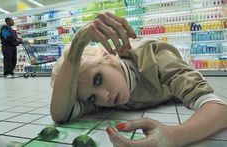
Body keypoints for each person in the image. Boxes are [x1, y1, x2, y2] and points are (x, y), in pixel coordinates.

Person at [50, 12, 227, 147]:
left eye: (98, 79)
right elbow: (60, 114)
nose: (104, 97)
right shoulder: (105, 98)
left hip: (183, 80)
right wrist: (76, 48)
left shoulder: (154, 57)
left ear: (107, 56)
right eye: (92, 98)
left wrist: (174, 136)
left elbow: (220, 110)